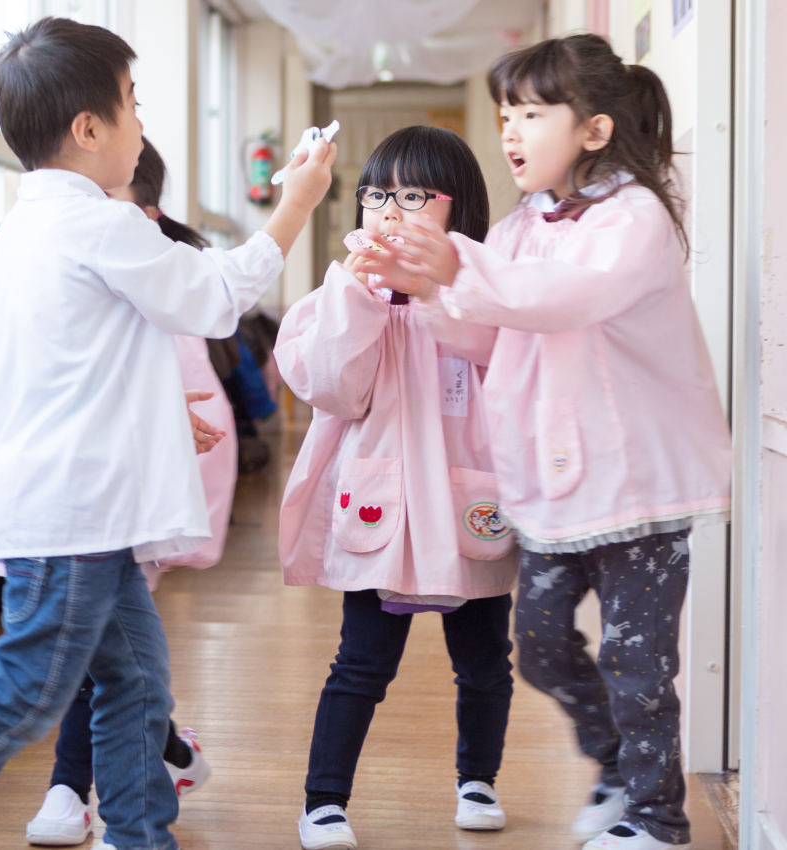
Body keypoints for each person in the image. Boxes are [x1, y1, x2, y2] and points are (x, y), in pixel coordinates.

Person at [0, 17, 334, 850]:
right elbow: (216, 296)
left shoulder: (32, 228)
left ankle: (140, 834)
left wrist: (159, 410)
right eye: (134, 105)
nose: (141, 124)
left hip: (85, 506)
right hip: (77, 511)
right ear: (88, 129)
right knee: (32, 686)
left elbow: (79, 362)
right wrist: (294, 204)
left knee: (137, 680)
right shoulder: (98, 224)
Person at [375, 34, 732, 850]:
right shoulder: (513, 230)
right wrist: (426, 290)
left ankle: (657, 819)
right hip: (550, 486)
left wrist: (454, 264)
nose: (509, 132)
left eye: (532, 114)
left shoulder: (636, 217)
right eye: (505, 114)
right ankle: (615, 763)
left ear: (594, 130)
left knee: (640, 671)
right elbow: (489, 335)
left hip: (639, 487)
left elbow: (567, 296)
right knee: (537, 645)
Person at [0, 137, 231, 848]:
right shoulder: (53, 250)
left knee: (108, 668)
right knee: (105, 667)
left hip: (129, 510)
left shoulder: (150, 275)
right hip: (67, 508)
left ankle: (97, 794)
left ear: (146, 213)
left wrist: (172, 421)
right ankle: (109, 786)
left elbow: (197, 399)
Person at [274, 125, 516, 850]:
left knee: (482, 660)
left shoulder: (484, 283)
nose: (390, 210)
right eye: (377, 194)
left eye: (413, 196)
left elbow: (506, 360)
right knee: (361, 660)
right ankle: (323, 801)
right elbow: (332, 389)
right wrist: (360, 294)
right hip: (381, 507)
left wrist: (436, 289)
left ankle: (478, 778)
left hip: (466, 506)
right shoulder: (344, 292)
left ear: (457, 207)